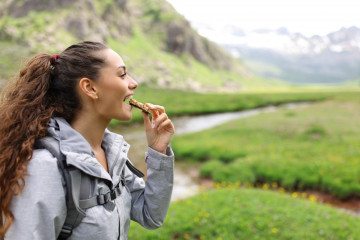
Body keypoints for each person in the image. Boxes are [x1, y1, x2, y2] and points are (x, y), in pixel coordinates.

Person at [0, 41, 175, 240]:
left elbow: (151, 215)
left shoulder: (113, 155)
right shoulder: (45, 168)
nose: (133, 83)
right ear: (90, 88)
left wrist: (158, 151)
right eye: (122, 74)